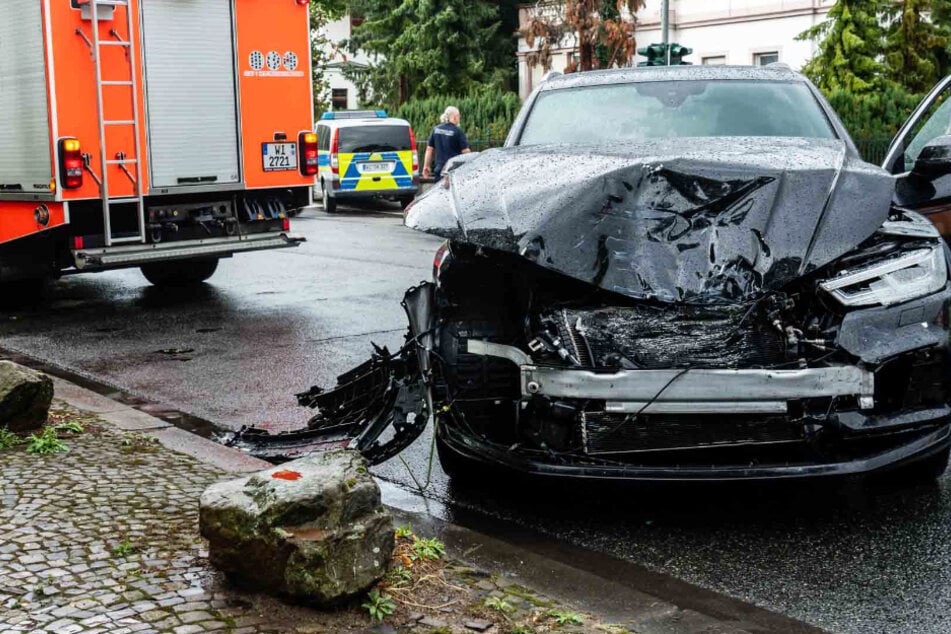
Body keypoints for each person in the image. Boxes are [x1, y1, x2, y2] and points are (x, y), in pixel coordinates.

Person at [422, 106, 471, 180]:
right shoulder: (458, 131)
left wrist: (426, 166)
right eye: (458, 116)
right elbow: (465, 151)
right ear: (454, 117)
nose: (459, 118)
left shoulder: (436, 129)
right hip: (453, 170)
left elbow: (429, 150)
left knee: (440, 191)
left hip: (439, 169)